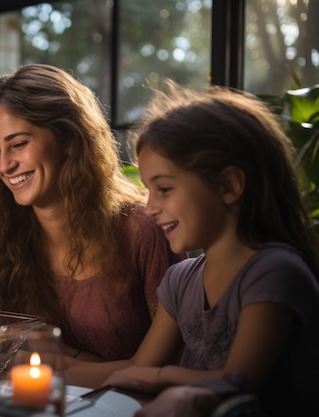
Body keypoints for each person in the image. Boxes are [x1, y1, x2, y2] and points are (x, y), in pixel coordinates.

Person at [78, 80, 319, 416]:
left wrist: (159, 377)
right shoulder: (180, 280)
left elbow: (238, 383)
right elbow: (136, 368)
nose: (149, 208)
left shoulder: (274, 272)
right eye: (148, 190)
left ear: (230, 185)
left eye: (163, 188)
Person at [0, 64, 185, 362]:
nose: (4, 165)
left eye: (19, 144)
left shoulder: (145, 231)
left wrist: (62, 363)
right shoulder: (4, 234)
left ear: (69, 139)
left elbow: (167, 367)